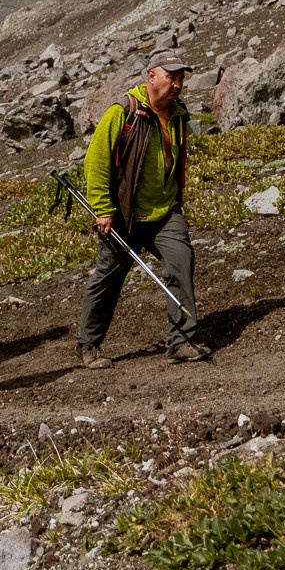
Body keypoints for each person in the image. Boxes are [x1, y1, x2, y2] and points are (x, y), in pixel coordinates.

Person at [75, 48, 211, 368]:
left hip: (165, 212)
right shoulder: (124, 111)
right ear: (152, 76)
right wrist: (102, 208)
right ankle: (88, 344)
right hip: (123, 215)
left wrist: (176, 201)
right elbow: (96, 162)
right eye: (171, 76)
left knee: (181, 260)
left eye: (181, 78)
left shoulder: (178, 113)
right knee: (108, 277)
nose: (177, 83)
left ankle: (181, 341)